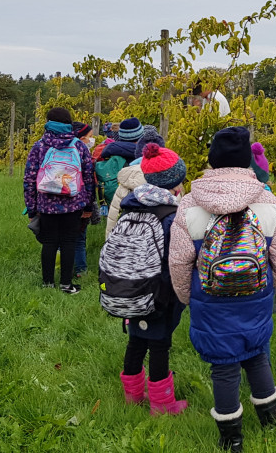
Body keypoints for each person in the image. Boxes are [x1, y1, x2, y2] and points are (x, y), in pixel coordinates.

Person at [169, 127, 276, 452]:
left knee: (223, 370)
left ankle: (231, 438)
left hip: (210, 302)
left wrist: (187, 298)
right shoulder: (267, 201)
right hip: (257, 297)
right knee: (257, 356)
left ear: (212, 159)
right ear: (246, 161)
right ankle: (271, 420)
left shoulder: (190, 205)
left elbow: (179, 263)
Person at [112, 144, 189, 415]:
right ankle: (162, 403)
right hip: (159, 293)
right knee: (159, 344)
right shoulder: (171, 216)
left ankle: (132, 396)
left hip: (130, 289)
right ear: (175, 182)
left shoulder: (131, 207)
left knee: (135, 341)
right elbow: (177, 258)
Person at [23, 107, 96, 294]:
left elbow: (30, 178)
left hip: (46, 205)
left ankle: (47, 283)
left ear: (48, 123)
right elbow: (88, 177)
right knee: (69, 242)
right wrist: (88, 205)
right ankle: (66, 284)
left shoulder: (39, 146)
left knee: (49, 243)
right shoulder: (79, 146)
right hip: (73, 203)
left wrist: (32, 208)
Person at [106, 128, 167, 237]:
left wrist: (110, 241)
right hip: (159, 239)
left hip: (128, 239)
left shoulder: (128, 178)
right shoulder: (171, 181)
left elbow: (114, 215)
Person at [96, 117, 146, 212]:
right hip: (142, 205)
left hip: (118, 205)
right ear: (140, 135)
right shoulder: (146, 154)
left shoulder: (111, 152)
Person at [72, 122, 96, 277]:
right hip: (80, 201)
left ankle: (59, 268)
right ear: (81, 138)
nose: (92, 140)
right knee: (80, 239)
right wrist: (89, 207)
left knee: (60, 239)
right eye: (90, 137)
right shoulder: (84, 153)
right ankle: (81, 271)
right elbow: (89, 183)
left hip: (59, 201)